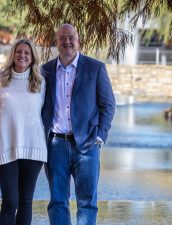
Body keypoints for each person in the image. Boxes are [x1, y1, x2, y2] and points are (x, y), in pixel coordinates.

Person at [41, 24, 116, 225]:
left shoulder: (95, 68)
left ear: (78, 40)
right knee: (57, 202)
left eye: (71, 37)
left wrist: (100, 136)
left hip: (87, 145)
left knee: (87, 202)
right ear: (56, 42)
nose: (67, 42)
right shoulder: (45, 70)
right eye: (62, 38)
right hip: (55, 145)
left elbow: (108, 105)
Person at [0, 38, 47, 225]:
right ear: (12, 54)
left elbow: (44, 113)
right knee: (10, 201)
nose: (22, 55)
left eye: (27, 53)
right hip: (6, 145)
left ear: (32, 58)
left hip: (33, 147)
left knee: (26, 201)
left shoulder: (40, 82)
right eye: (19, 51)